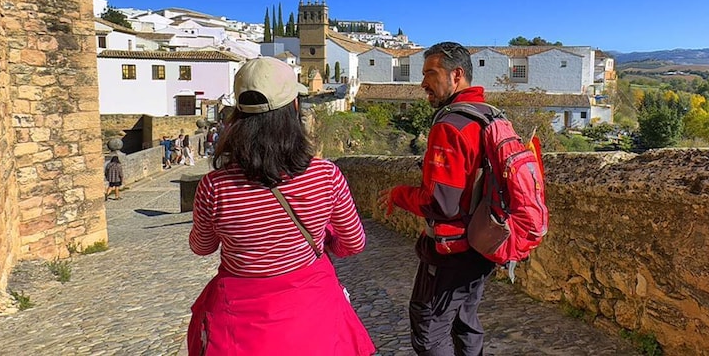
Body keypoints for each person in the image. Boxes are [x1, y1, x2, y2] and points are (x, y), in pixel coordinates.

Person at [187, 56, 375, 356]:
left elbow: (202, 246)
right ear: (294, 108)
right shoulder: (325, 176)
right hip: (312, 312)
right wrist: (323, 242)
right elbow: (353, 243)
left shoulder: (215, 186)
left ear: (238, 114)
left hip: (239, 321)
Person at [379, 41, 496, 356]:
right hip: (485, 242)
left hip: (452, 252)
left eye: (431, 73)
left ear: (456, 75)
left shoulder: (450, 126)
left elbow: (441, 203)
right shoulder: (489, 116)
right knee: (465, 321)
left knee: (429, 327)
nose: (423, 83)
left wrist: (398, 194)